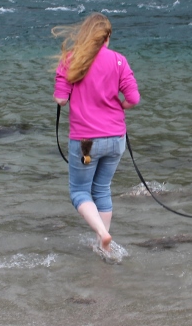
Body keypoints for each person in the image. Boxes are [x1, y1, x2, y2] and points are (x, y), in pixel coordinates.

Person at [52, 13, 140, 257]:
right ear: (107, 37)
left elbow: (60, 99)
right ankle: (104, 243)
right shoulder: (120, 61)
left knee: (80, 192)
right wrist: (120, 107)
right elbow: (133, 98)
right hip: (116, 138)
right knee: (102, 189)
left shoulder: (71, 60)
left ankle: (102, 235)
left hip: (86, 141)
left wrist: (63, 95)